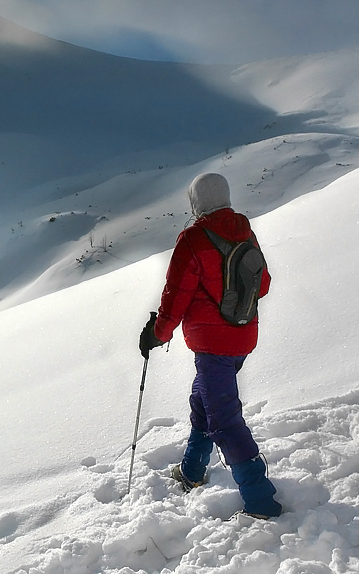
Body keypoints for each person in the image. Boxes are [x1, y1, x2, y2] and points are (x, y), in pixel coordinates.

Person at [139, 172, 282, 519]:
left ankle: (261, 501)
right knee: (204, 401)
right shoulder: (245, 230)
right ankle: (191, 471)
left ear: (195, 201)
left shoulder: (192, 239)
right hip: (244, 335)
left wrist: (156, 334)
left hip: (212, 343)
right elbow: (262, 284)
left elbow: (176, 297)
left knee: (224, 421)